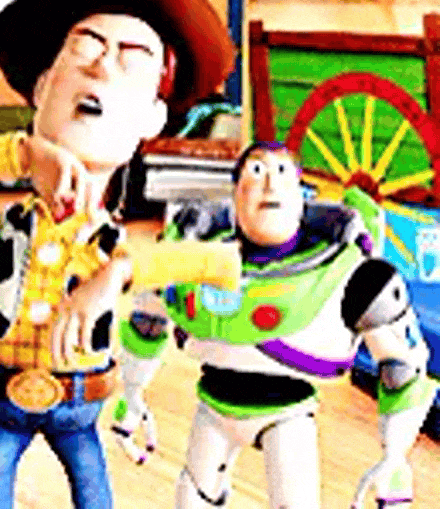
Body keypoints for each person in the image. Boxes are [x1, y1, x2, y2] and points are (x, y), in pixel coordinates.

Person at [0, 0, 235, 509]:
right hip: (2, 401)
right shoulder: (4, 232)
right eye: (84, 48)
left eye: (131, 59)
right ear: (43, 88)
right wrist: (21, 153)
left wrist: (116, 273)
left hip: (80, 406)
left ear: (153, 117)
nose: (101, 67)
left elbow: (216, 262)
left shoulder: (110, 247)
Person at [114, 141, 438, 508]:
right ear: (235, 195)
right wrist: (132, 391)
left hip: (288, 415)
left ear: (301, 197)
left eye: (282, 172)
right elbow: (147, 321)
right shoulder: (188, 259)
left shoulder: (354, 277)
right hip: (213, 407)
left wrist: (394, 455)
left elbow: (402, 367)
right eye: (256, 171)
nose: (270, 185)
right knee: (192, 497)